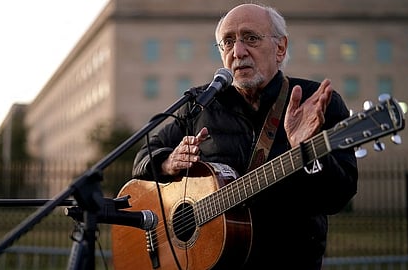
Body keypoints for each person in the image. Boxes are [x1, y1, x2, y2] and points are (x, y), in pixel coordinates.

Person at [131, 3, 358, 269]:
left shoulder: (316, 102)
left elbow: (338, 196)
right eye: (227, 42)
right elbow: (141, 160)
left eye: (251, 38)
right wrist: (168, 162)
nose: (238, 52)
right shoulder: (200, 103)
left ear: (280, 48)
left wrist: (306, 151)